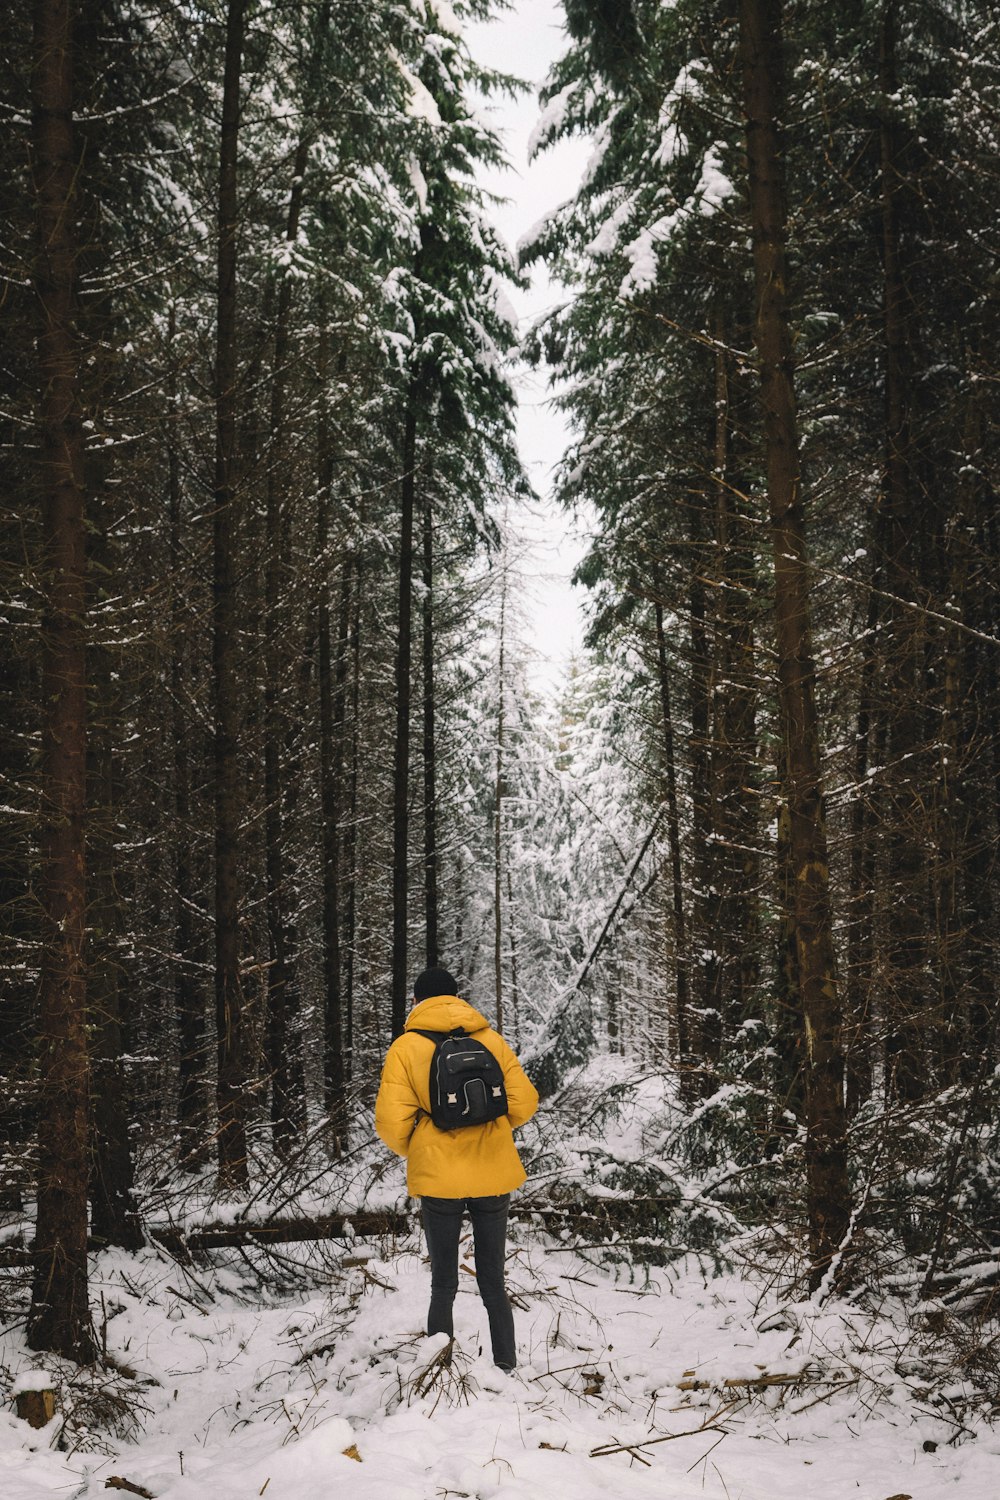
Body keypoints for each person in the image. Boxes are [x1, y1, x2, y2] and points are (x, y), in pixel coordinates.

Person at [375, 966, 539, 1371]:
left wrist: (420, 1146)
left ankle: (441, 1372)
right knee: (493, 1281)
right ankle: (506, 1367)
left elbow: (390, 1123)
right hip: (493, 1172)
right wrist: (493, 1130)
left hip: (439, 1177)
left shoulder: (406, 1047)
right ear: (456, 998)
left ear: (417, 1001)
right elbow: (524, 1102)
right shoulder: (490, 1039)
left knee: (444, 1283)